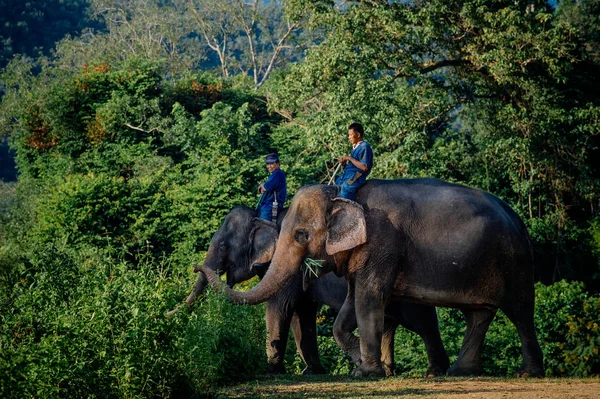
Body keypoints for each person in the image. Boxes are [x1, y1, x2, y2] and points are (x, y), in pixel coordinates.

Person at [335, 123, 373, 201]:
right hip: (349, 174)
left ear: (358, 134)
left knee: (346, 187)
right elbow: (353, 166)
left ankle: (348, 210)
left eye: (350, 135)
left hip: (357, 175)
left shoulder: (364, 147)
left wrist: (350, 158)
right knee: (337, 181)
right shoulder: (355, 147)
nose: (349, 137)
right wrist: (344, 164)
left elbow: (364, 167)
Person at [258, 153, 287, 221]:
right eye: (267, 164)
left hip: (270, 207)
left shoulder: (277, 174)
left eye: (271, 163)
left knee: (263, 227)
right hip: (269, 206)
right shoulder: (276, 174)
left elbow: (265, 188)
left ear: (278, 164)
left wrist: (261, 185)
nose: (269, 166)